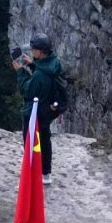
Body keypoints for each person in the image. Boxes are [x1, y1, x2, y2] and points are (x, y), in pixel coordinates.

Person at [11, 35, 70, 179]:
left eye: (33, 49)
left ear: (40, 51)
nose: (31, 51)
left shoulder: (39, 75)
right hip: (49, 108)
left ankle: (30, 172)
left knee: (30, 140)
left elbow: (28, 91)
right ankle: (46, 174)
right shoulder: (54, 62)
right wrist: (32, 64)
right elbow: (46, 74)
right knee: (45, 138)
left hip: (36, 111)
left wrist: (20, 72)